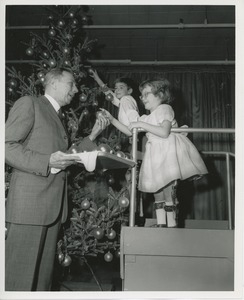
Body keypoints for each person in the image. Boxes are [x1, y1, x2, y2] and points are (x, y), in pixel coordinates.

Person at [5, 67, 109, 291]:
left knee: (42, 282)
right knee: (19, 281)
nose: (76, 89)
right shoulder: (30, 103)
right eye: (71, 84)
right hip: (29, 209)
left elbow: (64, 157)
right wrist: (46, 162)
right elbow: (6, 146)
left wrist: (93, 136)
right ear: (53, 83)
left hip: (51, 210)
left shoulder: (57, 116)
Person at [101, 78, 208, 228]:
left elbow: (164, 132)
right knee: (157, 191)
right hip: (155, 155)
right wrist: (111, 119)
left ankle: (171, 225)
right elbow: (129, 130)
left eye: (146, 94)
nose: (143, 98)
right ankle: (161, 223)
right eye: (141, 95)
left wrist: (140, 124)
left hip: (167, 154)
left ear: (161, 95)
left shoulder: (165, 109)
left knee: (168, 191)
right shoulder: (146, 117)